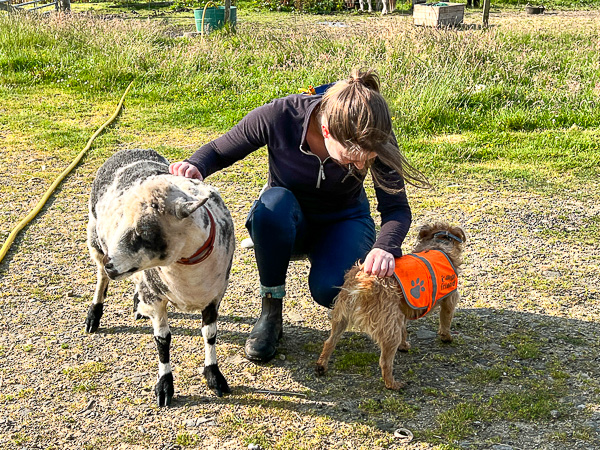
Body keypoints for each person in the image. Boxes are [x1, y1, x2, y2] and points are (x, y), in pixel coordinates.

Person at [170, 68, 429, 363]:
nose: (360, 164)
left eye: (367, 159)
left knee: (331, 290)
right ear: (328, 130)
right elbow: (219, 150)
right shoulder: (280, 116)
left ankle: (328, 261)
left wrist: (386, 247)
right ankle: (271, 313)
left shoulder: (374, 136)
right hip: (287, 220)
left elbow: (396, 208)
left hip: (343, 220)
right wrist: (196, 166)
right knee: (272, 206)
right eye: (351, 157)